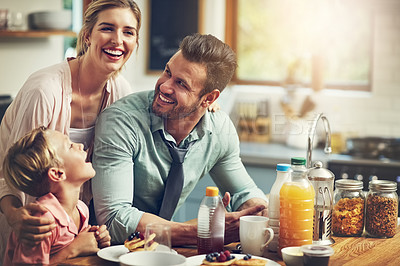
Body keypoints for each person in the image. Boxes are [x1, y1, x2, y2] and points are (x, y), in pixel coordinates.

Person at [91, 33, 269, 246]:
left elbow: (244, 191)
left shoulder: (219, 129)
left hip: (165, 252)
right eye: (167, 72)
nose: (165, 86)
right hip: (106, 251)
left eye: (181, 84)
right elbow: (113, 219)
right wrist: (201, 231)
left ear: (209, 99)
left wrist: (259, 211)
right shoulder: (121, 121)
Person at [0, 0, 141, 260]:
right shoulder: (44, 91)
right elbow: (15, 172)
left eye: (129, 32)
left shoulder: (121, 92)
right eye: (107, 28)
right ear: (87, 35)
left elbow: (151, 116)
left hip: (75, 226)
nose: (118, 40)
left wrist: (203, 108)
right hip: (32, 227)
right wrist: (15, 216)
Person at [2, 127, 111, 265]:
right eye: (70, 146)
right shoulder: (41, 221)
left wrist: (96, 240)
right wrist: (73, 249)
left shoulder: (81, 209)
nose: (80, 145)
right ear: (58, 174)